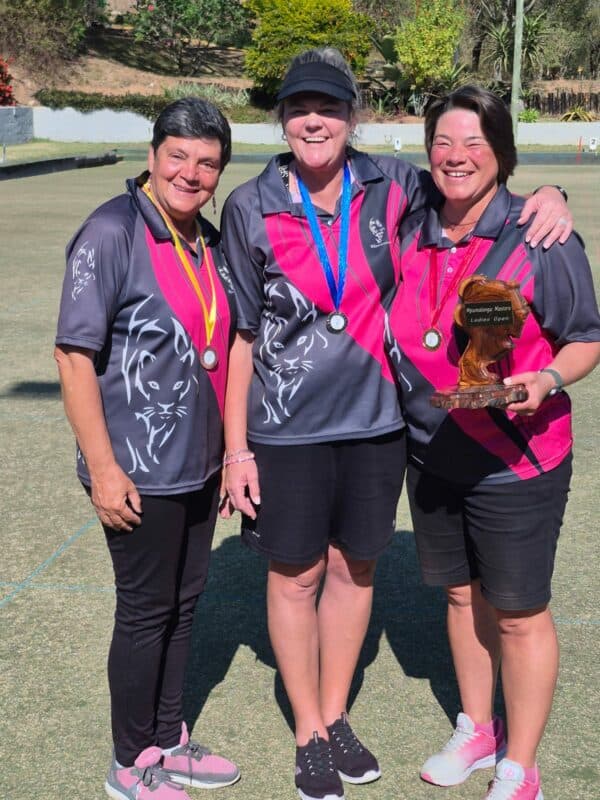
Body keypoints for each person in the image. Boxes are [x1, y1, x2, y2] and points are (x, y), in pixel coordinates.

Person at [219, 48, 572, 800]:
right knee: (295, 577)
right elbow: (241, 335)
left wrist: (551, 191)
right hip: (286, 428)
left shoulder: (393, 184)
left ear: (353, 117)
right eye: (300, 108)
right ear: (282, 119)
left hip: (381, 426)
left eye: (331, 107)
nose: (315, 121)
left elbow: (475, 183)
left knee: (355, 572)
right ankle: (309, 731)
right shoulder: (250, 205)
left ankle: (337, 714)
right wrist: (236, 448)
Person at [385, 85, 600, 800]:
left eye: (475, 143)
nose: (457, 157)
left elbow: (585, 337)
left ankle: (520, 764)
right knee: (459, 596)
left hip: (519, 458)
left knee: (518, 611)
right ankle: (478, 728)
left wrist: (548, 376)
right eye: (444, 143)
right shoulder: (411, 221)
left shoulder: (541, 234)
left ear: (501, 153)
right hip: (432, 450)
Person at [54, 98, 241, 800]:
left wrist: (229, 455)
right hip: (136, 467)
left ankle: (169, 738)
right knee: (144, 610)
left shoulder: (208, 240)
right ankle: (130, 762)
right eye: (178, 156)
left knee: (183, 605)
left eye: (207, 163)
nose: (191, 173)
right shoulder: (111, 230)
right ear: (153, 155)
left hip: (198, 463)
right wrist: (104, 469)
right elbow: (73, 357)